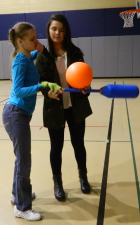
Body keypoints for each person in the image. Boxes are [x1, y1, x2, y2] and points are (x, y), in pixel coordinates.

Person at [2, 22, 61, 221]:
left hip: (21, 114)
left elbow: (34, 57)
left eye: (36, 37)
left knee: (21, 158)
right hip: (15, 114)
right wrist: (42, 85)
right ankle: (22, 206)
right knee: (24, 160)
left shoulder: (27, 56)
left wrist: (40, 50)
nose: (36, 41)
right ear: (20, 42)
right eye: (32, 39)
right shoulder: (20, 61)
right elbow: (17, 90)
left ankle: (16, 194)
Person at [36, 14, 92, 201]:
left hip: (75, 106)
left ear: (66, 31)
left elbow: (84, 79)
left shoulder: (75, 53)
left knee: (79, 145)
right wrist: (48, 92)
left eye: (61, 29)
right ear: (48, 31)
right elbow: (42, 82)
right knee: (56, 148)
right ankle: (58, 184)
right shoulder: (43, 56)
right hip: (55, 108)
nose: (57, 33)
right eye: (54, 29)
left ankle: (83, 178)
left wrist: (86, 89)